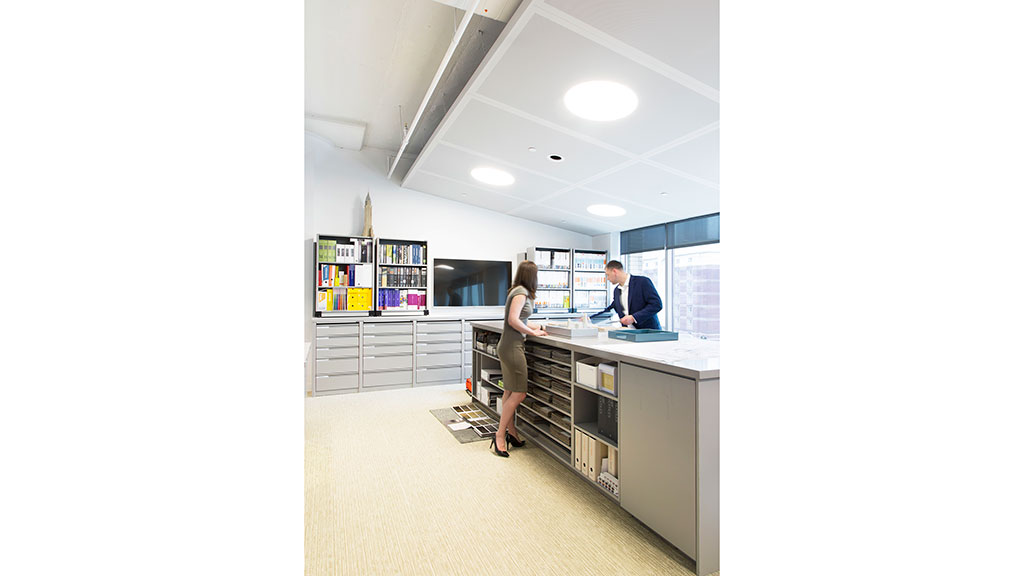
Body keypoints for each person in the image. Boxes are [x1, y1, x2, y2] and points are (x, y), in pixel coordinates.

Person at [491, 260, 547, 457]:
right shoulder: (521, 292)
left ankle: (511, 432)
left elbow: (521, 320)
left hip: (508, 345)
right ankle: (499, 435)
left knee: (509, 391)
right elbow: (513, 320)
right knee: (519, 394)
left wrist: (535, 328)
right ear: (531, 276)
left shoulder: (516, 290)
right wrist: (533, 334)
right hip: (512, 347)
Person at [590, 260, 663, 330]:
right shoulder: (617, 291)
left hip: (648, 333)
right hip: (628, 333)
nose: (607, 279)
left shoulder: (642, 282)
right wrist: (589, 318)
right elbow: (610, 309)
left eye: (608, 275)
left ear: (614, 271)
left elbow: (656, 305)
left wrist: (634, 318)